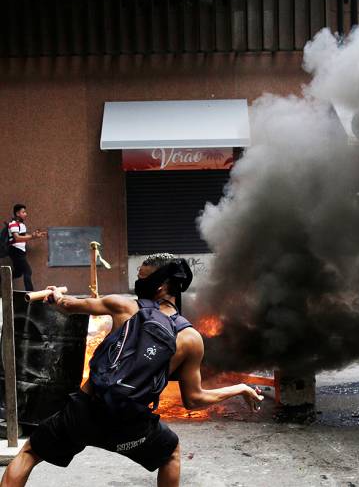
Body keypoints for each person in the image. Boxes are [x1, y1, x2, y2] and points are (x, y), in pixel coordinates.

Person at [0, 253, 264, 487]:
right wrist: (240, 388)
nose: (138, 283)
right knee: (170, 454)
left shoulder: (124, 305)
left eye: (143, 278)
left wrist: (55, 295)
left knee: (29, 453)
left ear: (160, 285)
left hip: (85, 412)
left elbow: (68, 305)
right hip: (131, 424)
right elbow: (194, 400)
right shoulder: (190, 338)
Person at [6, 204, 46, 292]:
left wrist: (35, 236)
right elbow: (17, 238)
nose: (26, 214)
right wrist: (32, 236)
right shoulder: (13, 224)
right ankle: (30, 293)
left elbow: (24, 236)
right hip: (15, 250)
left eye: (25, 212)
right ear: (17, 213)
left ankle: (3, 278)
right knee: (28, 271)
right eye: (23, 212)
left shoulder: (22, 225)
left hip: (20, 251)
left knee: (18, 273)